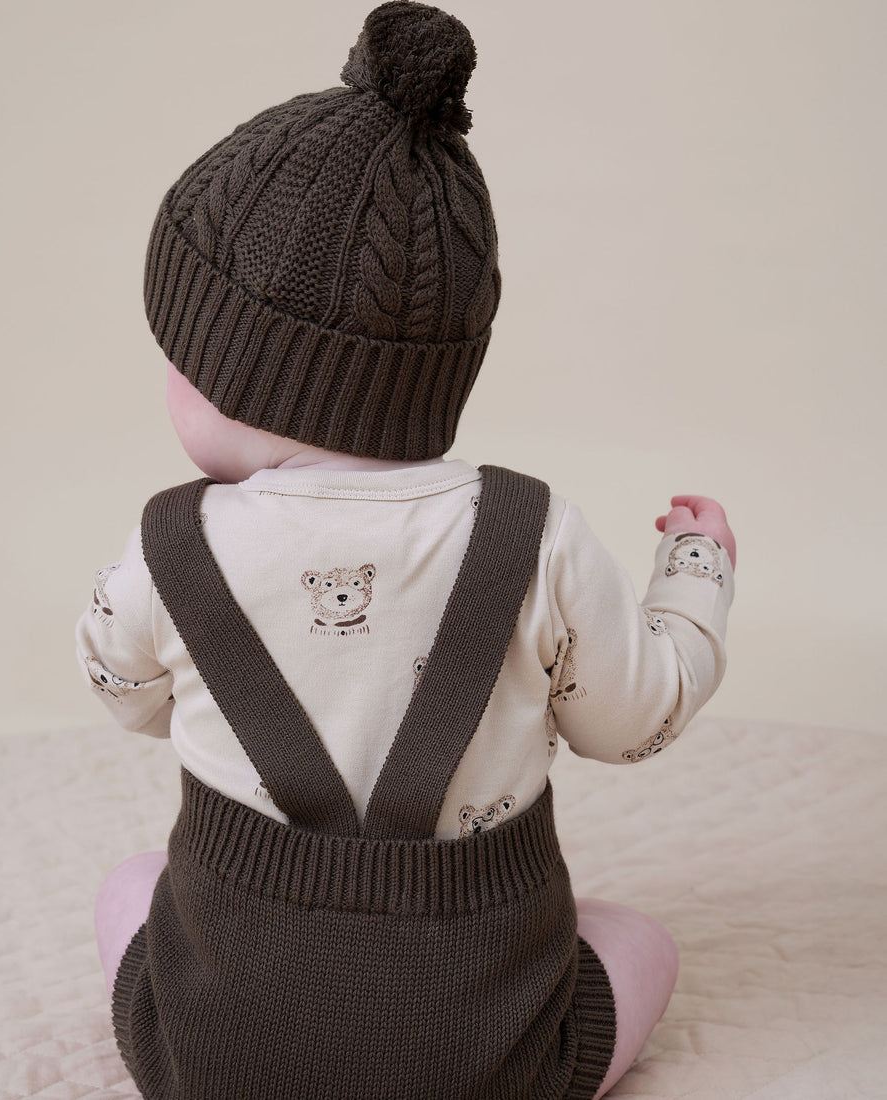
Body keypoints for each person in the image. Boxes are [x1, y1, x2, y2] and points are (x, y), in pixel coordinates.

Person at [76, 3, 736, 1097]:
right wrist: (694, 578)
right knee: (631, 938)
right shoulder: (537, 537)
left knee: (130, 888)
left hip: (217, 1055)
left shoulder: (166, 551)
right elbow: (634, 717)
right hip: (485, 1052)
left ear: (230, 376)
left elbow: (124, 692)